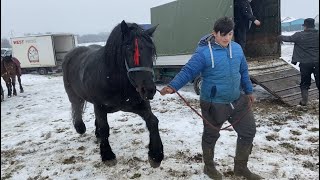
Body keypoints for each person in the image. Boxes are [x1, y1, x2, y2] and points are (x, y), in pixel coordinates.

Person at [160, 17, 261, 180]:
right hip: (213, 103)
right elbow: (188, 71)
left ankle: (241, 168)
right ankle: (209, 167)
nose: (227, 38)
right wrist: (172, 86)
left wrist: (249, 91)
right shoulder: (204, 52)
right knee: (211, 135)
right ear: (214, 33)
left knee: (248, 131)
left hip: (237, 99)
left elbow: (243, 71)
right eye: (223, 35)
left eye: (230, 34)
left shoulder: (237, 49)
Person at [278, 18, 319, 106]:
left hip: (305, 64)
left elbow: (287, 38)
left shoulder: (299, 35)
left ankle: (304, 101)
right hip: (317, 62)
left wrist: (279, 37)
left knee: (305, 83)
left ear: (305, 26)